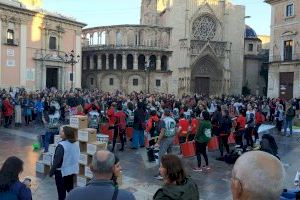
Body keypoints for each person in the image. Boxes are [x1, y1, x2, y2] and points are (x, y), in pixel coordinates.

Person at [66, 150, 135, 200]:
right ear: (113, 169)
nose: (120, 168)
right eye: (118, 166)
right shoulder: (127, 196)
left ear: (91, 168)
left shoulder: (73, 195)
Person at [50, 126, 80, 200]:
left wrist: (51, 171)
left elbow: (56, 161)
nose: (60, 132)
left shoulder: (62, 146)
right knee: (70, 190)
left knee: (61, 193)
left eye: (62, 131)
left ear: (66, 134)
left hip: (61, 172)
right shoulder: (76, 144)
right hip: (71, 170)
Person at [154, 109, 176, 180]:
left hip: (165, 139)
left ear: (164, 114)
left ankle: (161, 174)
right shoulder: (173, 120)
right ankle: (171, 171)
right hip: (172, 138)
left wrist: (157, 142)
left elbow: (162, 132)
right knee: (170, 155)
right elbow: (175, 129)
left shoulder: (163, 121)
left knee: (161, 156)